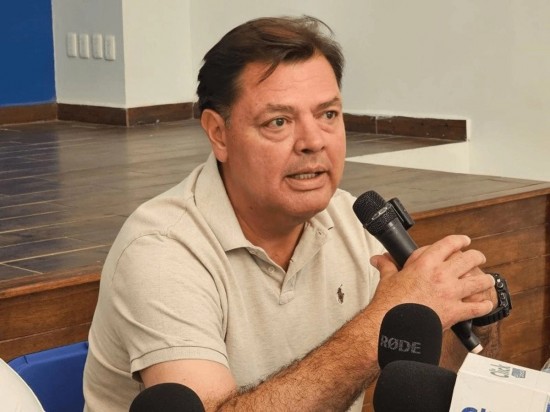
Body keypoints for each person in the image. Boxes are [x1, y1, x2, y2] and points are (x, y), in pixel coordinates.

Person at [83, 16, 499, 411]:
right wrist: (379, 324)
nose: (313, 141)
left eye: (328, 115)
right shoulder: (161, 250)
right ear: (218, 133)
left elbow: (432, 384)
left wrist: (466, 318)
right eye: (279, 122)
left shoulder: (350, 222)